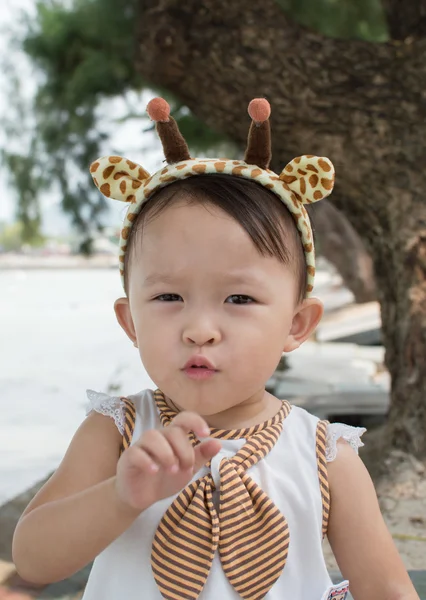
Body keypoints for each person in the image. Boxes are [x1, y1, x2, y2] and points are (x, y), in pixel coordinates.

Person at [12, 98, 418, 600]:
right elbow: (32, 560)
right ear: (129, 320)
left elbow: (388, 590)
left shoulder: (324, 455)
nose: (200, 329)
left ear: (297, 323)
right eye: (168, 297)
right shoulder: (117, 431)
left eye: (239, 298)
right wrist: (121, 496)